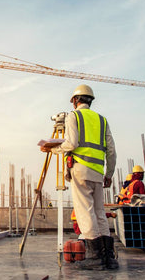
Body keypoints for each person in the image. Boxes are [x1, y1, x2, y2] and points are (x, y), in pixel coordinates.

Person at [40, 84, 118, 270]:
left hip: (81, 170)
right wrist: (109, 174)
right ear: (90, 100)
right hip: (98, 172)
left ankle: (96, 258)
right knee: (99, 212)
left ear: (75, 100)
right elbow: (112, 151)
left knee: (85, 212)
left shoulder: (73, 116)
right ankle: (109, 259)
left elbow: (71, 143)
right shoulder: (102, 120)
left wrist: (53, 149)